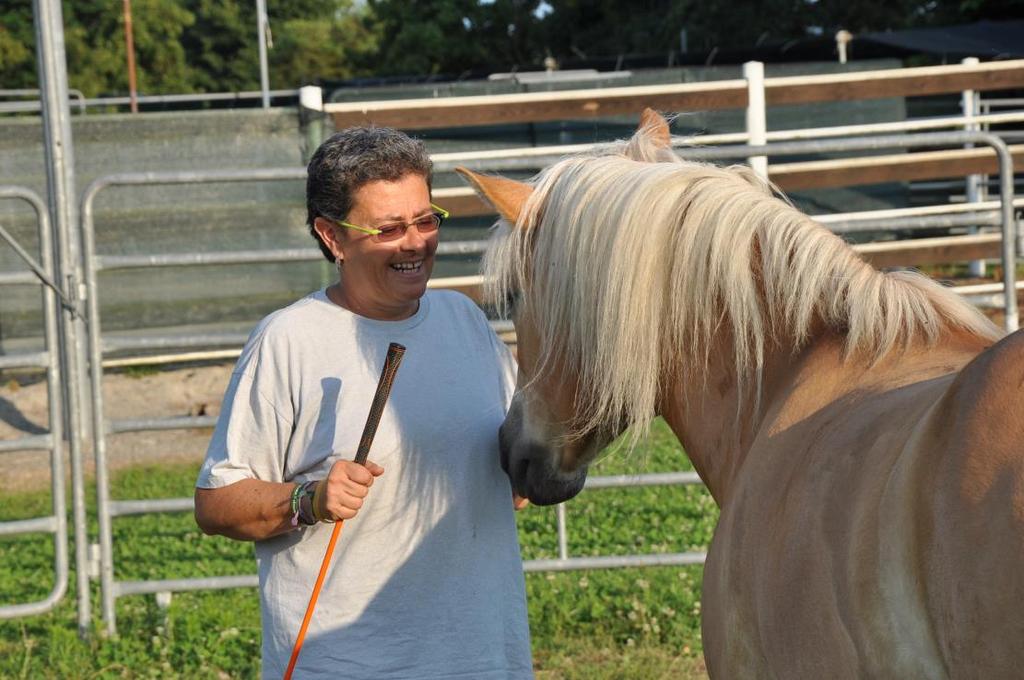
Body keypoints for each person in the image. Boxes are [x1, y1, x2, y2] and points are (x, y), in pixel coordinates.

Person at [194, 126, 533, 679]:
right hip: (350, 663)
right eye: (390, 228)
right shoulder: (290, 340)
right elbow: (217, 504)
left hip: (481, 657)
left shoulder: (466, 323)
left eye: (426, 220)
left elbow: (516, 485)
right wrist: (311, 499)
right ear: (332, 237)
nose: (416, 243)